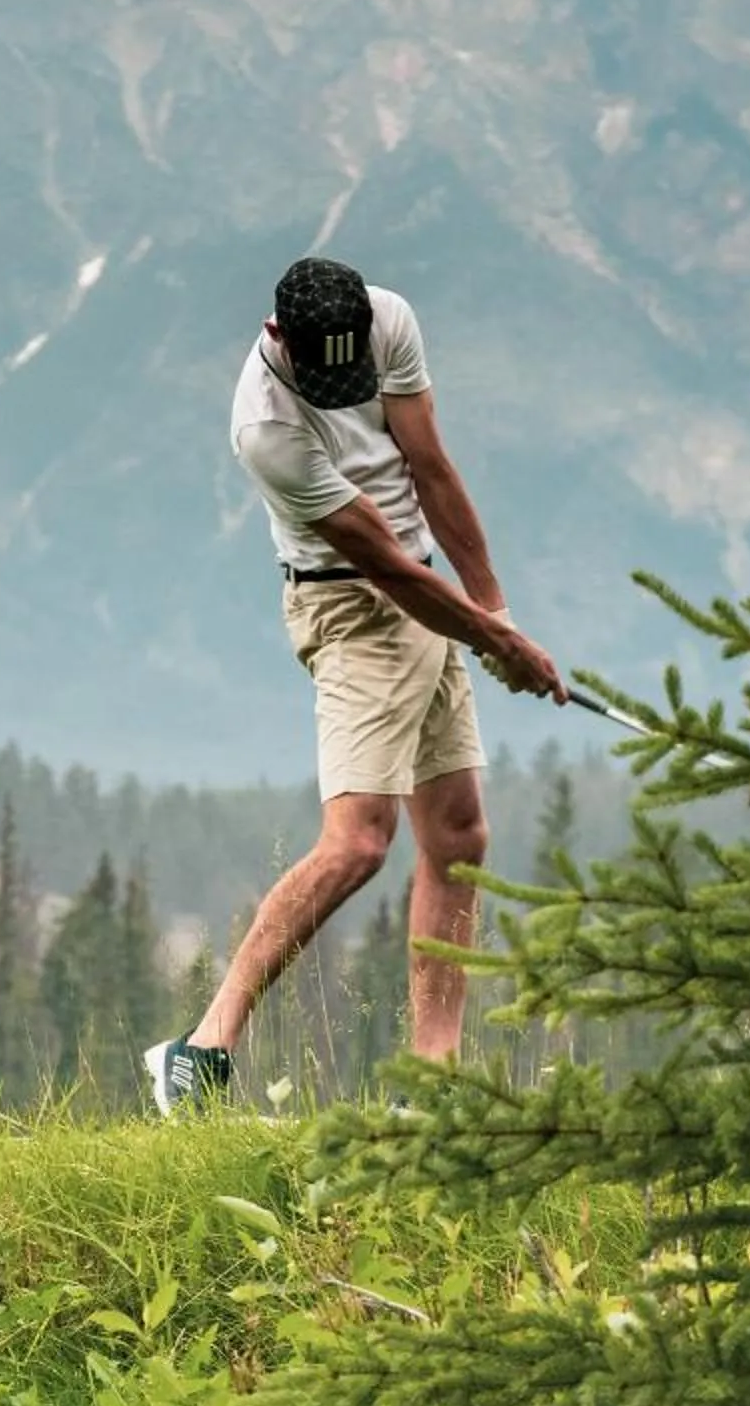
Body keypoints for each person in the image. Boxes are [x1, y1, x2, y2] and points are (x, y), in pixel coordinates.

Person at [144, 256, 567, 1113]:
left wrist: (496, 610)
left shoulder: (389, 318)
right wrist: (494, 642)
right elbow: (379, 561)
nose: (344, 391)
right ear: (279, 340)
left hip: (430, 595)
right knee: (360, 843)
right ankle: (200, 1050)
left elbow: (432, 469)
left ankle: (431, 1087)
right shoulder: (265, 430)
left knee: (458, 836)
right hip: (353, 608)